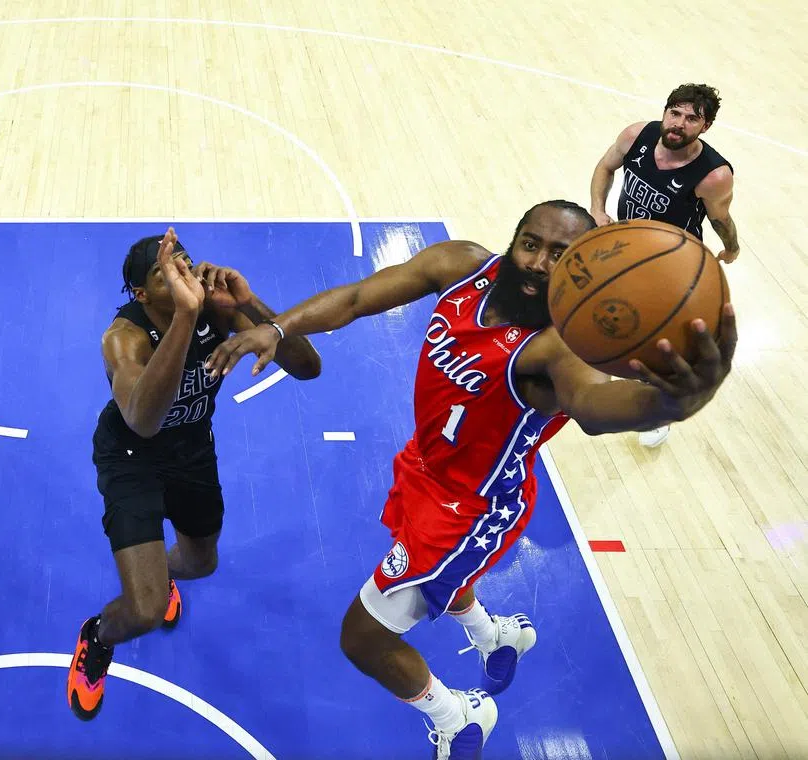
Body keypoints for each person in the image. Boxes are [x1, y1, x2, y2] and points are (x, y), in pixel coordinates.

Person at [205, 200, 735, 758]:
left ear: (580, 271)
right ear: (513, 240)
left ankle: (458, 716)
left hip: (473, 508)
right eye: (530, 244)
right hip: (427, 465)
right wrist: (277, 326)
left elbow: (595, 407)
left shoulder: (557, 348)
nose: (538, 263)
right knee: (443, 581)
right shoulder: (460, 265)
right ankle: (496, 635)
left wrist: (676, 402)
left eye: (560, 256)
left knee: (362, 638)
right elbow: (359, 297)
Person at [67, 227, 322, 721]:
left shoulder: (217, 309)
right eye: (164, 271)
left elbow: (307, 365)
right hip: (131, 455)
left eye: (184, 261)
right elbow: (143, 421)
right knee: (144, 610)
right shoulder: (123, 337)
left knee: (202, 563)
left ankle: (156, 575)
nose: (181, 272)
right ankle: (97, 637)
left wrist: (249, 303)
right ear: (142, 294)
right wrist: (186, 316)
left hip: (191, 449)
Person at [589, 82, 738, 448]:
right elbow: (605, 167)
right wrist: (597, 209)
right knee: (607, 311)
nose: (679, 124)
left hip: (672, 266)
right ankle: (598, 362)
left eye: (692, 119)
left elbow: (720, 218)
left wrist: (732, 247)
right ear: (665, 112)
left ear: (705, 126)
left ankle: (658, 411)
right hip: (625, 247)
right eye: (675, 113)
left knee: (663, 343)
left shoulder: (714, 175)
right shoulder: (636, 136)